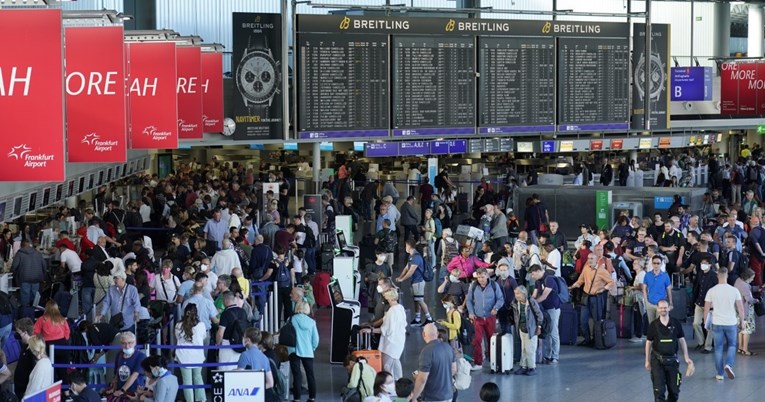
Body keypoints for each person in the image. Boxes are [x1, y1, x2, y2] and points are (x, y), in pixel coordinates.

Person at [644, 299, 693, 401]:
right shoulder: (653, 325)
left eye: (665, 307)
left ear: (669, 308)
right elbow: (648, 343)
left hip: (673, 361)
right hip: (657, 361)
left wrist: (686, 357)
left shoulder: (676, 323)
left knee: (674, 391)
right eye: (661, 307)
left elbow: (682, 340)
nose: (663, 309)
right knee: (659, 391)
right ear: (657, 309)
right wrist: (647, 361)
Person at [704, 267, 746, 381]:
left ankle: (720, 374)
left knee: (718, 348)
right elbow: (741, 308)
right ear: (727, 276)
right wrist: (742, 321)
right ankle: (729, 364)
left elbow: (706, 309)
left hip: (717, 323)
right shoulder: (734, 290)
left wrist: (705, 323)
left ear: (718, 276)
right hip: (731, 322)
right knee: (732, 345)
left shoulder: (711, 291)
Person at [361, 288, 406, 380]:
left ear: (389, 298)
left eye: (385, 297)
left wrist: (371, 330)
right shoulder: (400, 308)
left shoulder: (391, 312)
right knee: (395, 363)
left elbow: (386, 330)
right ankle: (399, 383)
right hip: (399, 341)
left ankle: (390, 385)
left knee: (387, 366)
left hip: (390, 344)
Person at [570, 254, 614, 346]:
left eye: (592, 259)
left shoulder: (602, 270)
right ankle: (587, 340)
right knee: (583, 320)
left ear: (597, 260)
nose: (589, 260)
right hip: (586, 297)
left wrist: (603, 288)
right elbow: (580, 281)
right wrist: (572, 287)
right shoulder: (586, 268)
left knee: (596, 320)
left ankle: (596, 340)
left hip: (596, 297)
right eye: (588, 258)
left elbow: (611, 282)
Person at [466, 268, 504, 371]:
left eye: (482, 277)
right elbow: (469, 300)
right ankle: (478, 362)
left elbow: (500, 299)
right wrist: (471, 312)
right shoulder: (473, 286)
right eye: (478, 277)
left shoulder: (494, 285)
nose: (480, 279)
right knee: (477, 340)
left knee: (491, 340)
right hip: (477, 317)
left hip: (490, 317)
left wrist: (496, 308)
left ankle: (493, 360)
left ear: (487, 275)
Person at [410, 323, 456, 402]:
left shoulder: (426, 351)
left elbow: (422, 379)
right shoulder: (448, 347)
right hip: (448, 394)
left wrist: (414, 397)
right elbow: (454, 369)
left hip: (433, 397)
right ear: (437, 333)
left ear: (423, 334)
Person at [396, 240, 432, 326]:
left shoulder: (416, 257)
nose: (405, 248)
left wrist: (402, 279)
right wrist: (400, 277)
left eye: (406, 246)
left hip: (418, 281)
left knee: (420, 300)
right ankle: (417, 318)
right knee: (416, 300)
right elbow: (406, 268)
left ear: (409, 246)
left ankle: (429, 318)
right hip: (414, 281)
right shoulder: (412, 256)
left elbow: (411, 271)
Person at [175, 303, 206, 402]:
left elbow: (177, 338)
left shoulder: (178, 325)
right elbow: (204, 337)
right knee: (198, 377)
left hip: (183, 356)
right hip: (197, 356)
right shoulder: (201, 325)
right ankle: (201, 399)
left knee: (187, 381)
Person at [288, 301, 319, 402]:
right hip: (308, 351)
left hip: (294, 350)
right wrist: (312, 348)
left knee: (296, 375)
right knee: (310, 375)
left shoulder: (291, 319)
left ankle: (297, 398)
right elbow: (316, 340)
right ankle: (312, 397)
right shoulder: (312, 322)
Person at [33, 300, 70, 382]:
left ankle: (52, 390)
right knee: (63, 369)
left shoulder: (42, 319)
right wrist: (64, 340)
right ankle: (66, 392)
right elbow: (67, 331)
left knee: (50, 369)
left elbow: (35, 333)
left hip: (49, 345)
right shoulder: (62, 318)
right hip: (63, 344)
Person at [529, 265, 560, 364]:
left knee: (553, 332)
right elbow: (534, 295)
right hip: (544, 309)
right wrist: (529, 302)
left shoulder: (549, 279)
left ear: (538, 271)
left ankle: (555, 356)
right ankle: (547, 355)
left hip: (553, 308)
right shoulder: (538, 281)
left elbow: (544, 296)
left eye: (533, 274)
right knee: (546, 331)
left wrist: (534, 304)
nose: (532, 277)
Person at [511, 287, 544, 376]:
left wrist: (539, 326)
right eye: (515, 293)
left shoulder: (531, 302)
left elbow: (539, 315)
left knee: (530, 349)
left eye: (518, 293)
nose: (516, 296)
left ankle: (532, 367)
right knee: (524, 349)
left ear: (523, 294)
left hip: (531, 329)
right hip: (522, 329)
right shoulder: (515, 303)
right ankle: (524, 366)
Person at [97, 268, 141, 332]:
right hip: (115, 321)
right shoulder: (111, 289)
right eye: (114, 278)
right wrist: (101, 314)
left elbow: (136, 303)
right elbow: (106, 302)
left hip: (128, 322)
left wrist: (136, 313)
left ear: (123, 279)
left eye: (116, 278)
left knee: (128, 340)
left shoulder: (132, 289)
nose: (114, 280)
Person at [237, 327, 276, 400]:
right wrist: (256, 389)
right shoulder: (264, 357)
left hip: (246, 396)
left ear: (248, 340)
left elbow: (239, 377)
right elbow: (270, 383)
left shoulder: (244, 355)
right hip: (259, 396)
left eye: (244, 337)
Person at [104, 332, 145, 398]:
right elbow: (117, 373)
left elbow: (135, 375)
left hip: (134, 393)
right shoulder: (119, 355)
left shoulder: (140, 356)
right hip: (120, 392)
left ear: (135, 343)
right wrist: (113, 387)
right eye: (124, 343)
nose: (127, 346)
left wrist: (122, 390)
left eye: (129, 343)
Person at [216, 291, 248, 371]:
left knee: (225, 369)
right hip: (241, 343)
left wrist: (218, 343)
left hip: (227, 344)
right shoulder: (243, 311)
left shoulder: (225, 314)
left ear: (225, 300)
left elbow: (220, 333)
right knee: (239, 368)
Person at [12, 239, 47, 307]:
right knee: (35, 294)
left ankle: (26, 311)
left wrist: (14, 273)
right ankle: (36, 310)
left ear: (21, 246)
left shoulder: (19, 253)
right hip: (37, 277)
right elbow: (44, 265)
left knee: (25, 294)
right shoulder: (38, 253)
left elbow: (14, 266)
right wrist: (43, 276)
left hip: (24, 277)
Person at [643, 255, 673, 324]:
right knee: (651, 324)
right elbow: (644, 288)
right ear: (652, 264)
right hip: (650, 303)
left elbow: (669, 290)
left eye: (658, 263)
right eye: (654, 263)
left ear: (661, 264)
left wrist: (670, 303)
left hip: (661, 304)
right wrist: (646, 301)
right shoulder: (647, 275)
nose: (656, 265)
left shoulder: (665, 275)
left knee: (661, 324)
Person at [734, 269, 758, 356]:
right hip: (746, 311)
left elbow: (749, 288)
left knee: (741, 330)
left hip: (738, 310)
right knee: (747, 330)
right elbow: (749, 300)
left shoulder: (738, 281)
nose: (752, 279)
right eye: (752, 278)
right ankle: (745, 349)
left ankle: (740, 348)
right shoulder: (744, 285)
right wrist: (757, 300)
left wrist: (759, 288)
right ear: (747, 277)